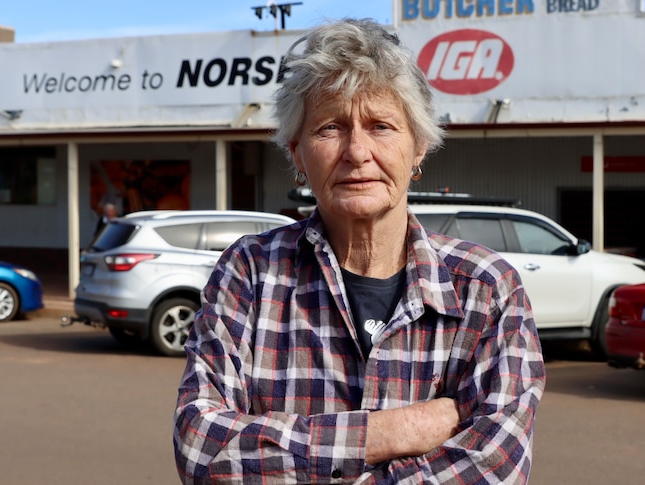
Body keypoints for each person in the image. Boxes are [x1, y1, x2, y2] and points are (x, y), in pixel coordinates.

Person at [173, 18, 545, 484]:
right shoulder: (250, 272)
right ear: (298, 156)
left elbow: (496, 467)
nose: (357, 151)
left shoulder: (487, 290)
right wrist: (391, 431)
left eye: (381, 125)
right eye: (330, 127)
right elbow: (202, 449)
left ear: (419, 149)